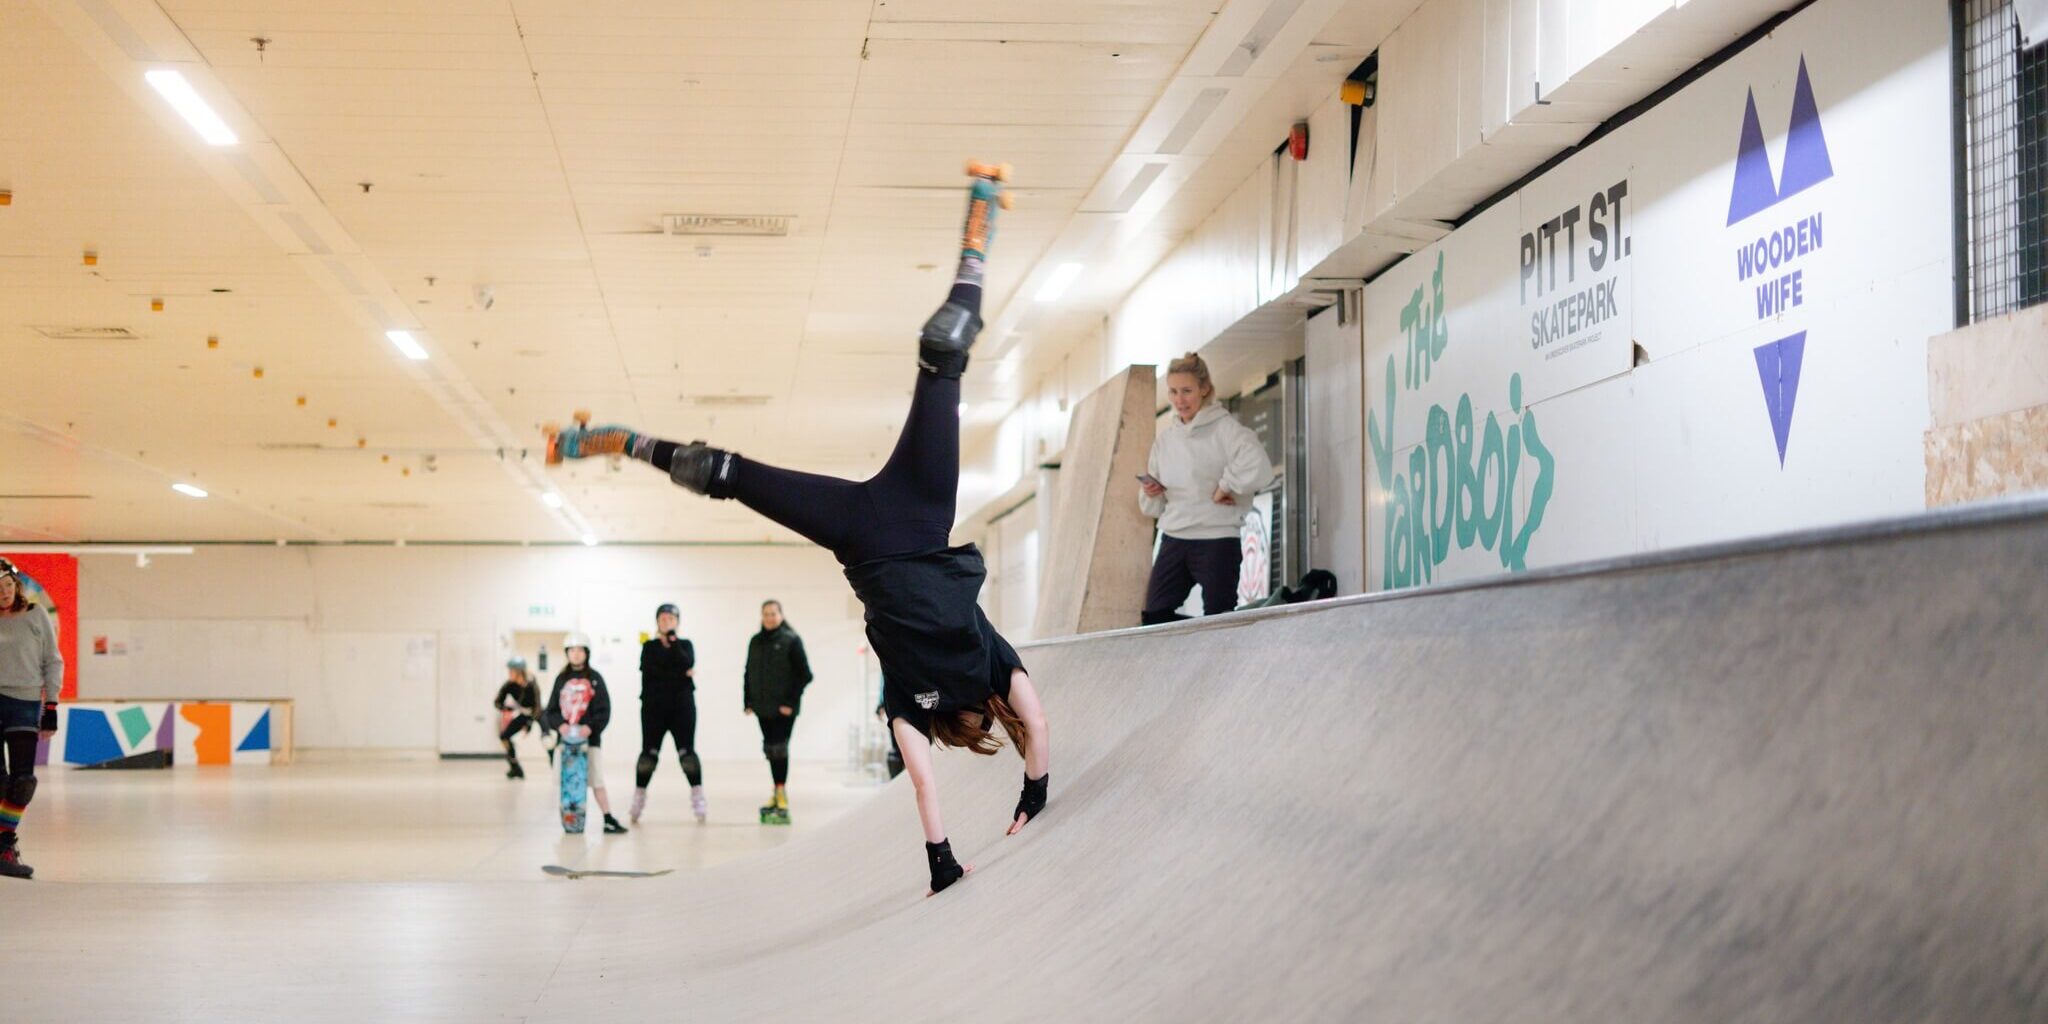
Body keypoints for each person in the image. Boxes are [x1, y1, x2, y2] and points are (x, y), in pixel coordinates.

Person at [546, 166, 1050, 895]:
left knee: (943, 360)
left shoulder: (993, 665)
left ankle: (981, 220)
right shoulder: (912, 706)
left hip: (922, 514)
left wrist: (1036, 789)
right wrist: (940, 859)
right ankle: (616, 442)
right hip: (864, 539)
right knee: (733, 475)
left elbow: (1036, 725)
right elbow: (923, 787)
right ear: (953, 727)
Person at [1137, 352, 1275, 625]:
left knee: (1218, 619)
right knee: (1155, 617)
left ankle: (1214, 647)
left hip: (1217, 538)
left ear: (1204, 389)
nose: (1179, 399)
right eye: (1173, 391)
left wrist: (1226, 486)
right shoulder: (1165, 441)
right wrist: (1152, 493)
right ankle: (1190, 647)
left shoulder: (1226, 429)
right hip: (1174, 537)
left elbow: (1259, 465)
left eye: (1186, 391)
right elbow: (1154, 506)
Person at [0, 558, 62, 880]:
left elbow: (52, 660)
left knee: (23, 781)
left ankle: (4, 845)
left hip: (24, 702)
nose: (4, 592)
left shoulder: (36, 615)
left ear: (16, 585)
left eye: (8, 585)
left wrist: (51, 706)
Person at [543, 633, 626, 834]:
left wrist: (590, 727)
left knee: (596, 780)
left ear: (587, 653)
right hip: (565, 743)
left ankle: (607, 818)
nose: (576, 654)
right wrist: (560, 725)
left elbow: (604, 710)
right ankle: (570, 818)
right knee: (567, 781)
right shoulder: (561, 679)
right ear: (567, 653)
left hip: (590, 742)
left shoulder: (595, 678)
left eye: (580, 650)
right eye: (572, 650)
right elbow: (551, 710)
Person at [633, 603, 706, 824]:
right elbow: (652, 670)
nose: (667, 622)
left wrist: (674, 645)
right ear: (657, 622)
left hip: (682, 708)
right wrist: (680, 673)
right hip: (654, 709)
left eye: (671, 619)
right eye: (663, 619)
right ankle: (639, 797)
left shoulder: (685, 645)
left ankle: (698, 797)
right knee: (648, 756)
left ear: (677, 622)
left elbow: (686, 661)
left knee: (687, 755)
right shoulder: (649, 647)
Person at [742, 600, 811, 824]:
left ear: (781, 615)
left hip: (783, 709)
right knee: (771, 750)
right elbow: (748, 671)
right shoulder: (755, 641)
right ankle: (776, 790)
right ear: (761, 616)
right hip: (762, 707)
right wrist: (748, 700)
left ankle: (781, 794)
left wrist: (790, 702)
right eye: (766, 614)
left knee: (779, 749)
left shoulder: (791, 640)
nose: (770, 618)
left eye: (773, 613)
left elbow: (805, 674)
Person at [492, 657, 542, 779]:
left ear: (520, 672)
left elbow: (537, 706)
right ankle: (514, 766)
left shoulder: (531, 684)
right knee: (504, 736)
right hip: (522, 714)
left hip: (536, 714)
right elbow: (497, 702)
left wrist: (529, 723)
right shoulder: (509, 684)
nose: (509, 673)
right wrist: (506, 708)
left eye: (512, 671)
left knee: (547, 738)